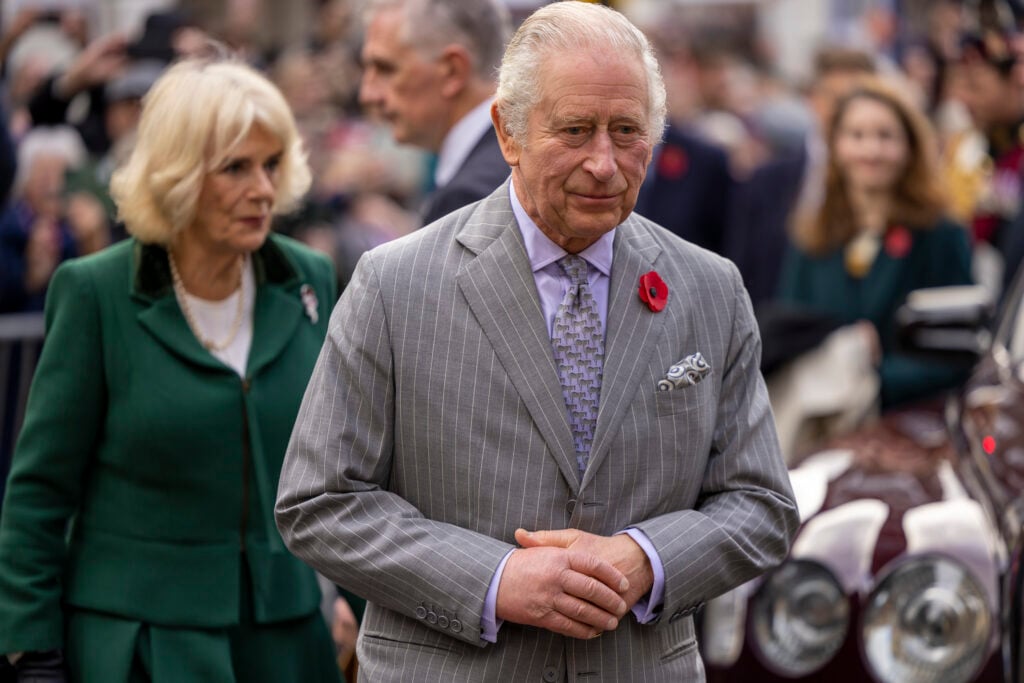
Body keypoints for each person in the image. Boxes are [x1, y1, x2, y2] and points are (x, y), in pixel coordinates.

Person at [276, 3, 799, 681]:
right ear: (508, 131)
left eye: (628, 132)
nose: (605, 163)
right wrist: (496, 578)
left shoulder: (709, 288)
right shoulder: (394, 283)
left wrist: (647, 558)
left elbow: (762, 504)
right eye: (576, 130)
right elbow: (319, 501)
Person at [0, 58, 341, 682]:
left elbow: (346, 463)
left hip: (286, 639)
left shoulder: (306, 279)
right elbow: (40, 490)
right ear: (178, 175)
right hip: (142, 642)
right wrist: (32, 648)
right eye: (235, 167)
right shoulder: (95, 292)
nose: (263, 188)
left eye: (271, 164)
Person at [778, 76, 973, 412]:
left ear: (909, 147)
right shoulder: (814, 233)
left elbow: (959, 351)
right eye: (857, 135)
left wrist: (874, 377)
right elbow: (788, 329)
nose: (871, 150)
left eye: (885, 136)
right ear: (836, 146)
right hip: (821, 424)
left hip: (908, 426)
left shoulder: (940, 234)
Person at [358, 0, 512, 224]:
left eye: (386, 69)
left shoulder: (472, 198)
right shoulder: (507, 165)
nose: (368, 95)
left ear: (453, 71)